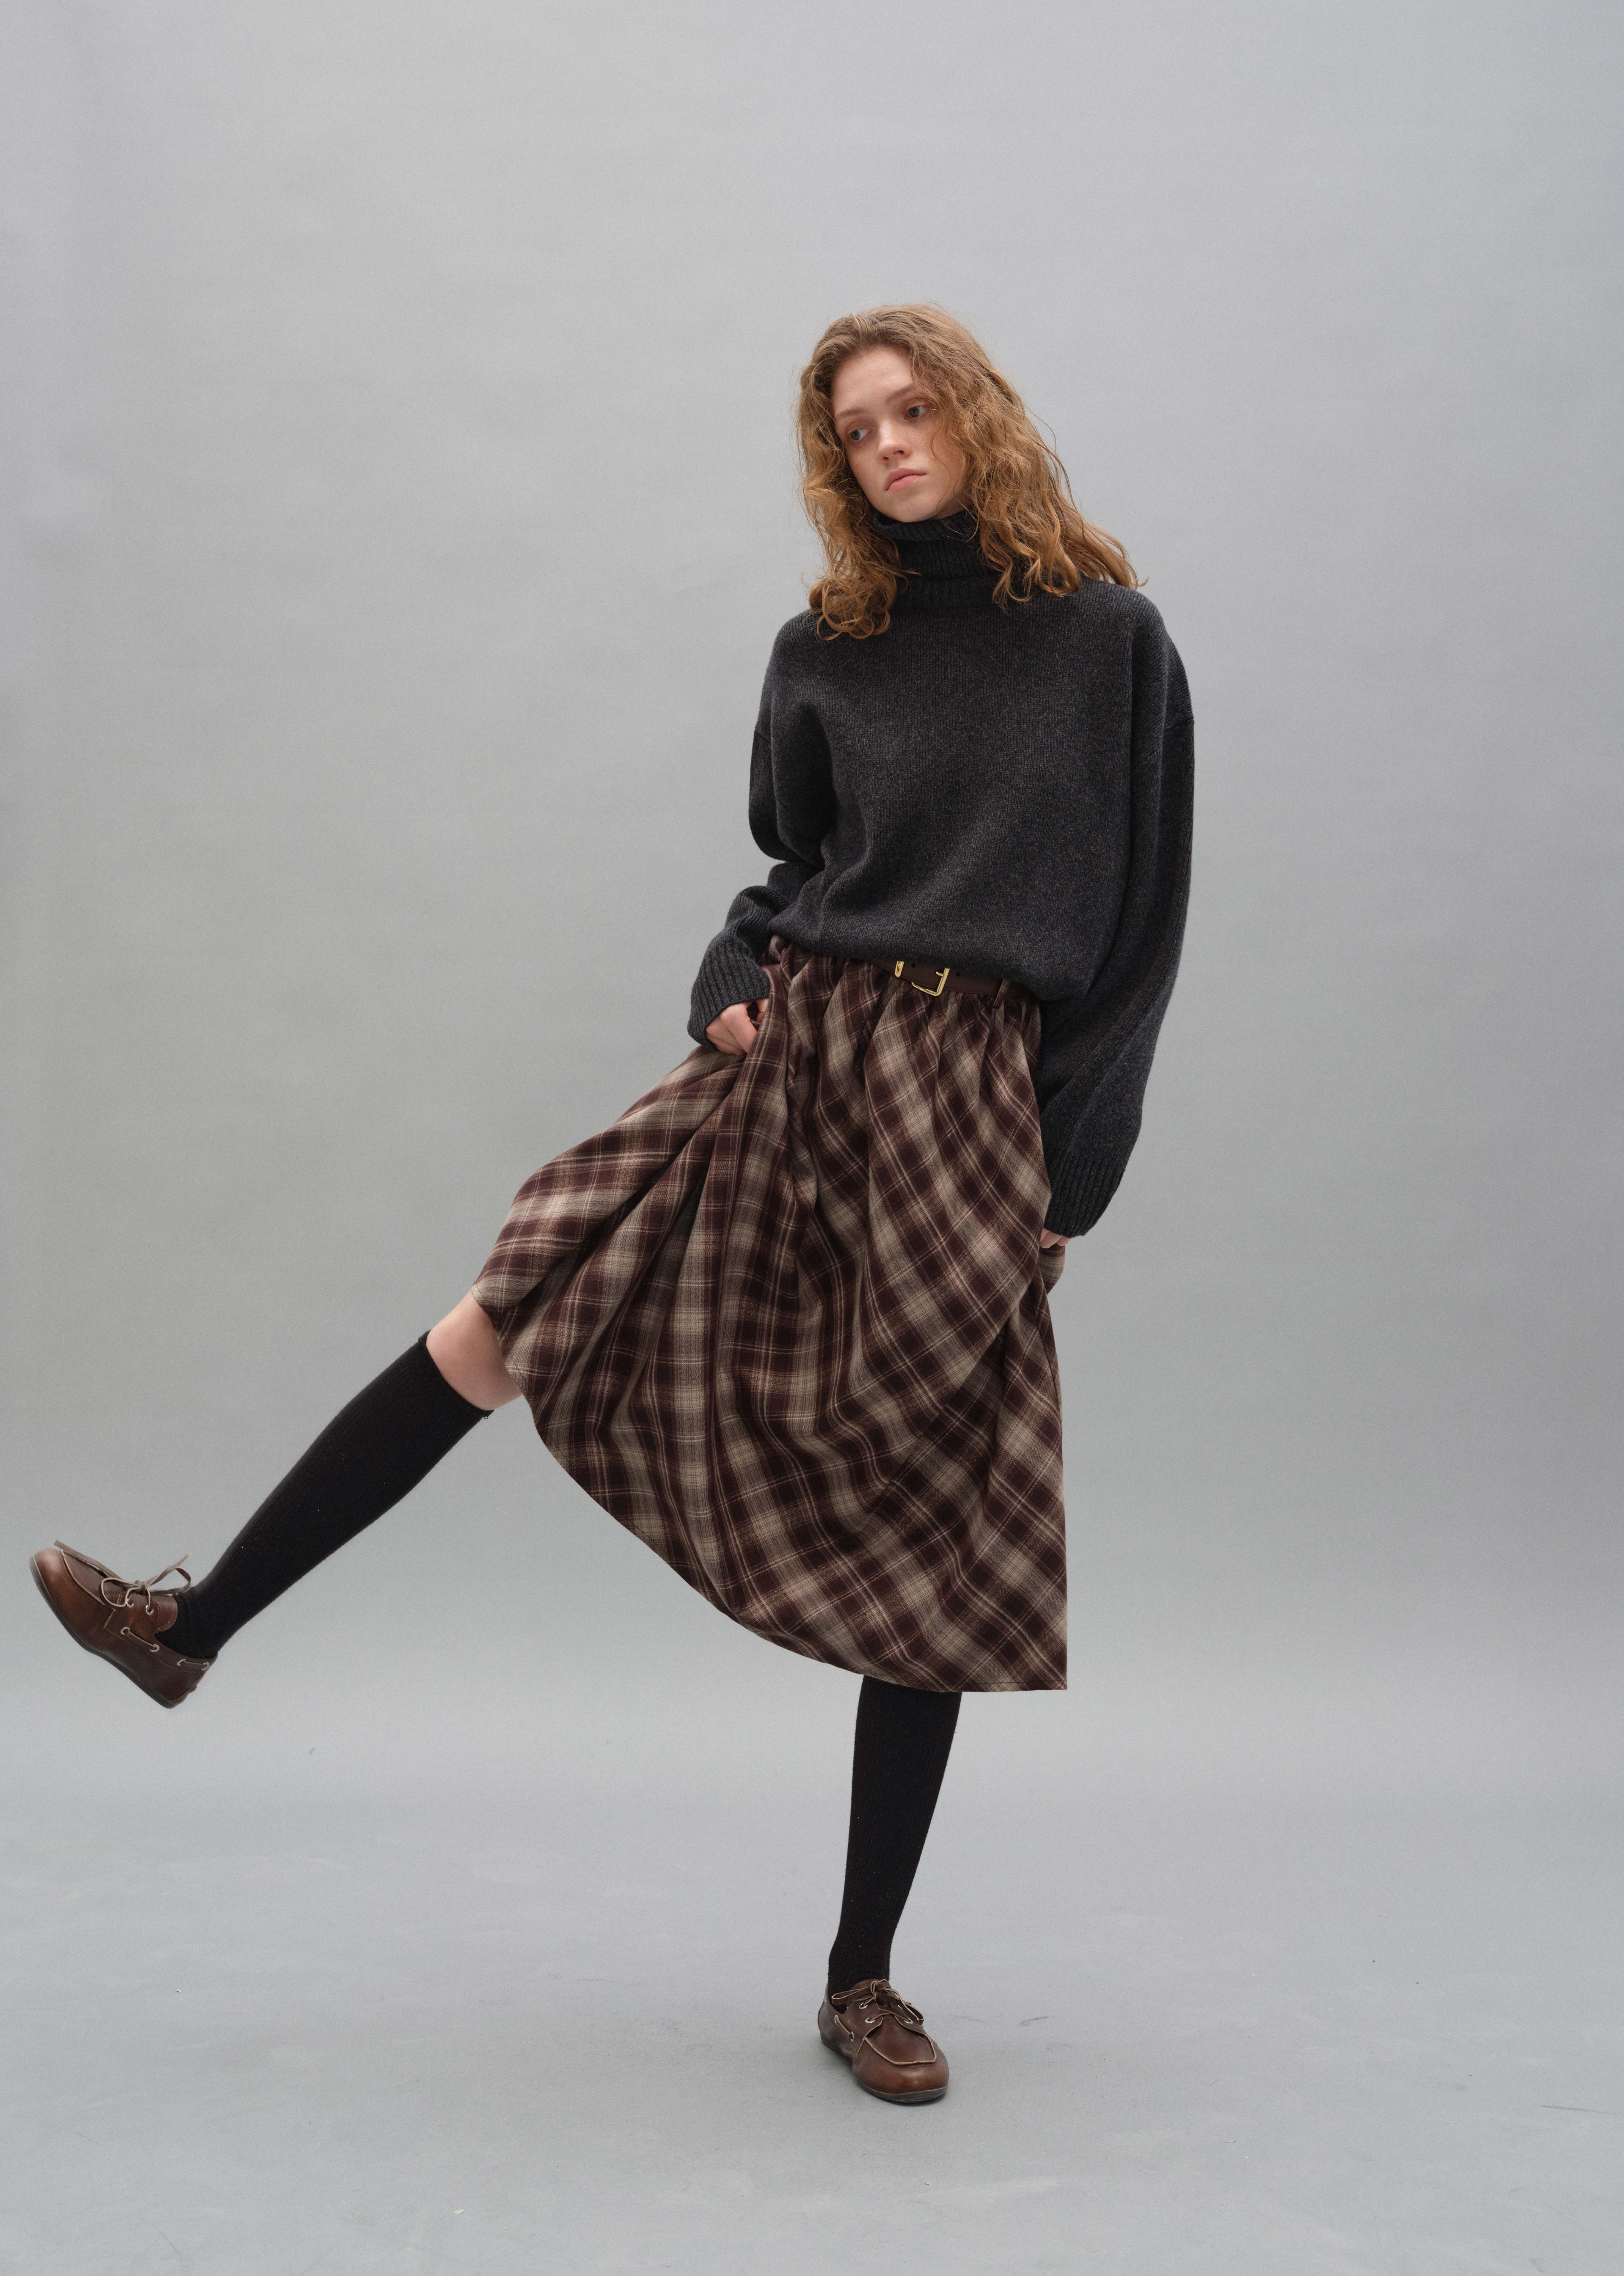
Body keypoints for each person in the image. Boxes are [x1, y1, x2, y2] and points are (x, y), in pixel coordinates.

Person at [31, 303, 1193, 2108]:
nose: (891, 446)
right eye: (856, 428)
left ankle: (864, 1981)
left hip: (971, 1099)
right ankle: (187, 1634)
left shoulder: (1109, 643)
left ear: (978, 416)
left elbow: (1140, 933)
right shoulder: (828, 649)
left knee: (938, 1518)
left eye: (914, 411)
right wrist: (729, 969)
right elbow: (796, 869)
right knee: (516, 1301)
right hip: (800, 1052)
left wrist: (1072, 1174)